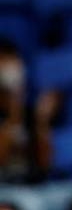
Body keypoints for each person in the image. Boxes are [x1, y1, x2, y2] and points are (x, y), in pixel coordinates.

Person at [0, 40, 57, 183]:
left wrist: (42, 122)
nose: (11, 72)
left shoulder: (31, 113)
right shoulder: (12, 112)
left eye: (15, 63)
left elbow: (45, 163)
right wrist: (13, 115)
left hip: (32, 184)